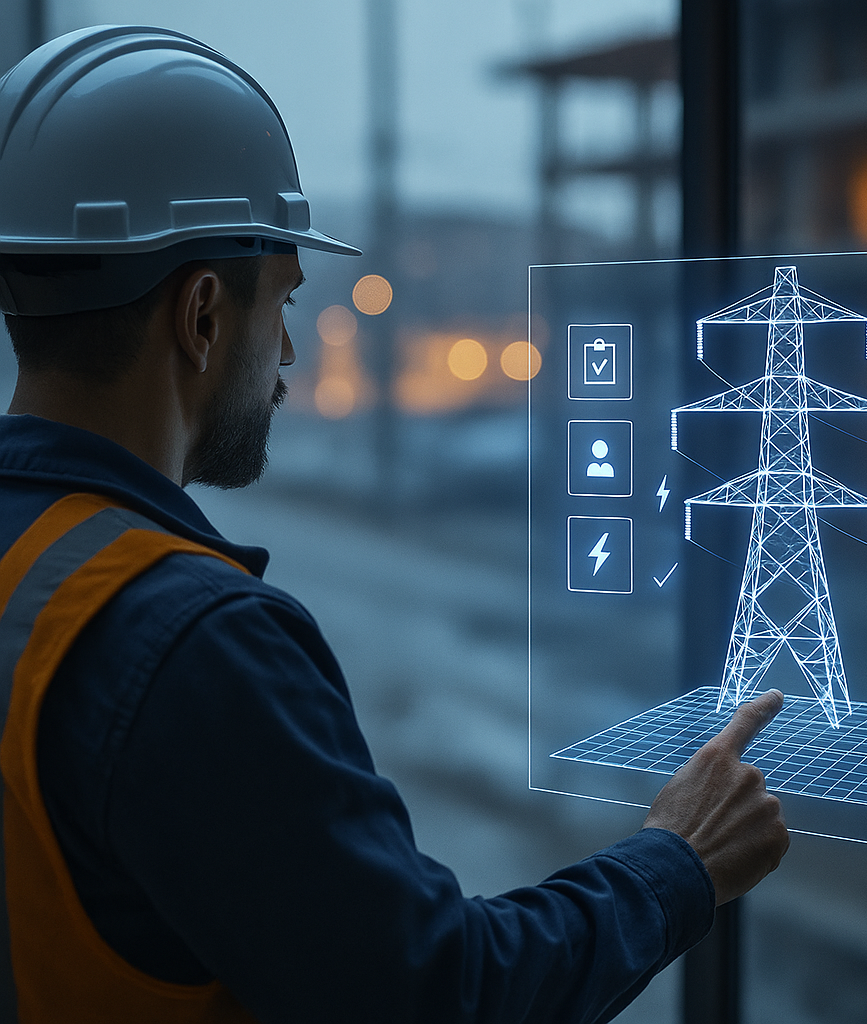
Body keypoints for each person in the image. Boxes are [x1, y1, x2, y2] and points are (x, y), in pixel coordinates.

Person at [0, 25, 788, 1024]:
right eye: (282, 300)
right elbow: (436, 994)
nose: (289, 349)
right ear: (201, 316)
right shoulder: (187, 645)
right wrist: (680, 860)